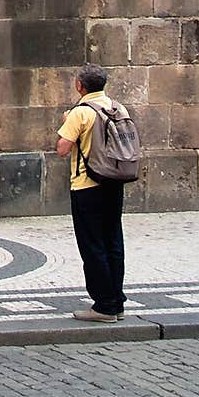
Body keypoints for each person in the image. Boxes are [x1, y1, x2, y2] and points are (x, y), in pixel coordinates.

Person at [56, 64, 129, 323]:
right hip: (114, 182)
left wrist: (67, 123)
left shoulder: (81, 112)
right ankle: (117, 301)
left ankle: (104, 305)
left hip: (87, 186)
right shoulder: (118, 108)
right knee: (113, 242)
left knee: (93, 246)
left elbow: (62, 148)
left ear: (80, 86)